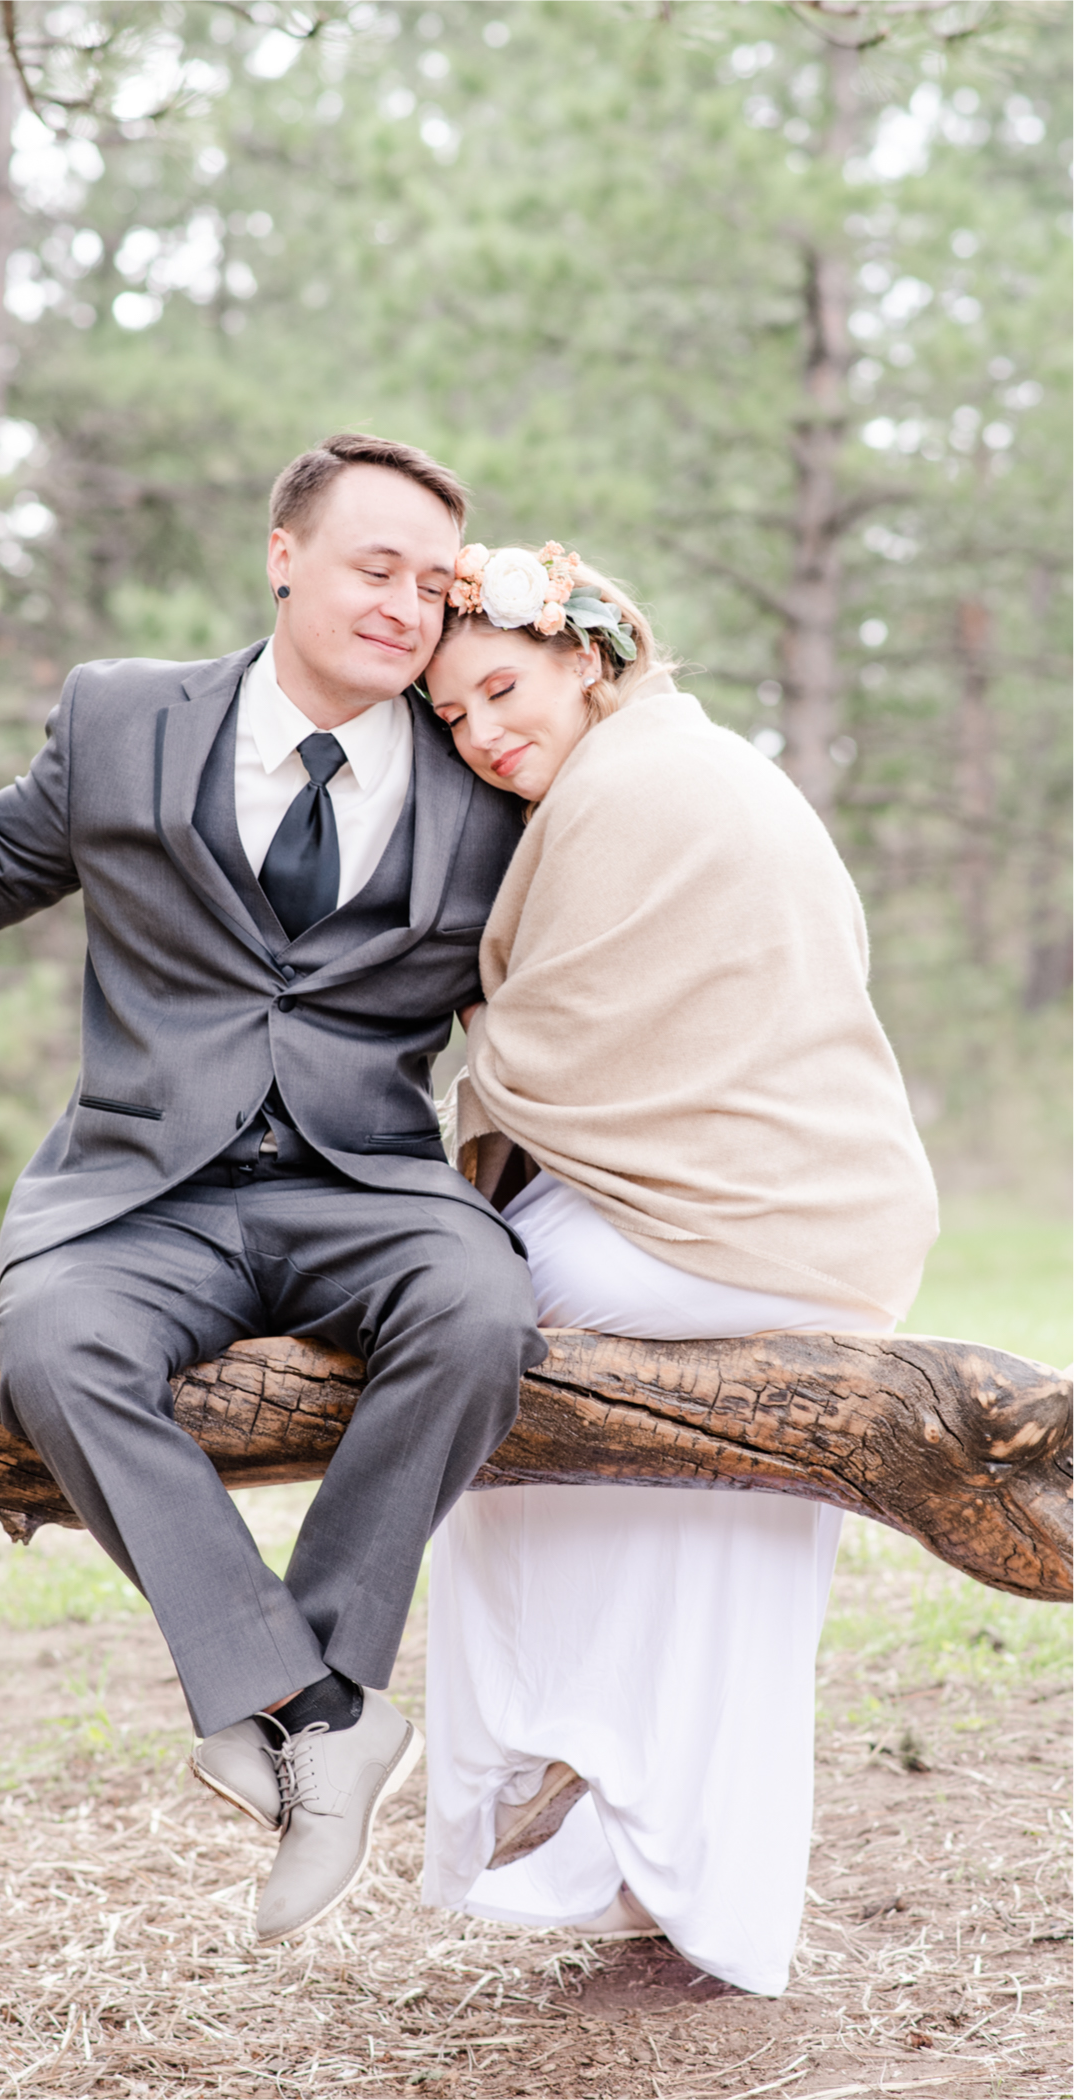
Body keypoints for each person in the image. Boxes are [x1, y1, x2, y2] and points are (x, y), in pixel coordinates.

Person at [0, 435, 547, 1947]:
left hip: (365, 1183)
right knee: (56, 1346)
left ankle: (312, 1698)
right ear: (285, 552)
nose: (406, 608)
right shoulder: (122, 715)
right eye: (372, 568)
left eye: (432, 583)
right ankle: (310, 1704)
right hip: (144, 1191)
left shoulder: (482, 772)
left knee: (481, 1308)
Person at [418, 539, 938, 1996]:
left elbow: (553, 1042)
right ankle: (671, 1868)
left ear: (587, 656)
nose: (485, 732)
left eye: (503, 688)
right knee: (717, 1529)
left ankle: (556, 1743)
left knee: (463, 1330)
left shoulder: (633, 790)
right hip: (826, 1230)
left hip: (731, 1226)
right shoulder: (691, 764)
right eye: (453, 718)